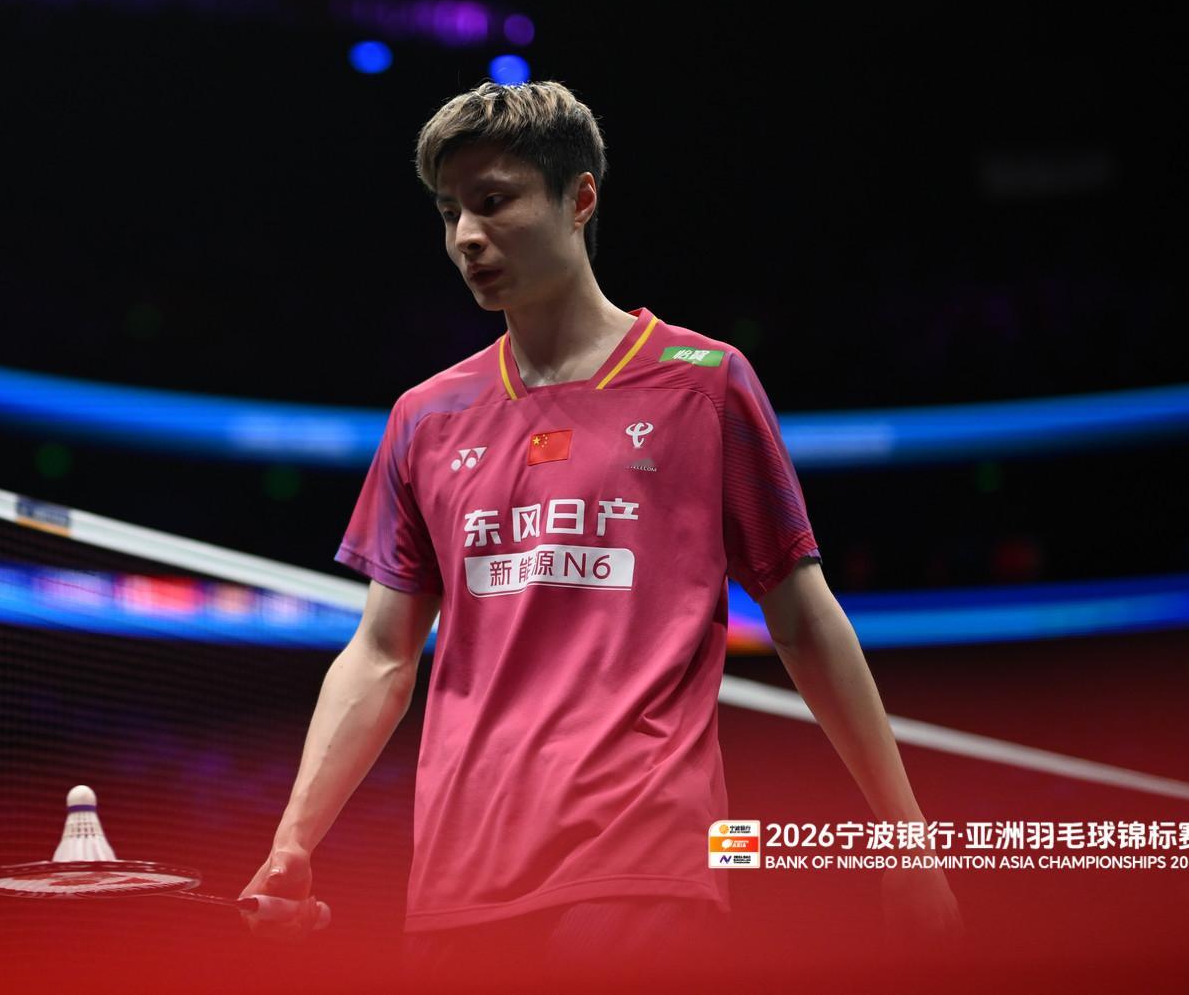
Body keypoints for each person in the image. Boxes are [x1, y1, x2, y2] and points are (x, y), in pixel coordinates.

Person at [239, 80, 961, 984]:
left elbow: (805, 620)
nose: (467, 237)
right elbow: (382, 653)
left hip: (643, 864)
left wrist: (905, 838)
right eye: (451, 211)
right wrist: (293, 839)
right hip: (460, 878)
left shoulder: (704, 383)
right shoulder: (427, 416)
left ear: (580, 199)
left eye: (494, 201)